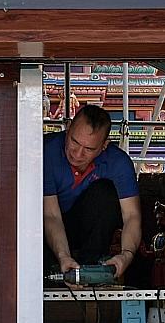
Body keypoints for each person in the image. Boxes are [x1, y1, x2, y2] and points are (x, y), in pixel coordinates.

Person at [43, 103, 141, 279]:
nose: (77, 154)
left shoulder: (118, 162)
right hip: (45, 230)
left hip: (86, 231)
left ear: (104, 146)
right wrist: (63, 257)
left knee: (105, 192)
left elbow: (132, 215)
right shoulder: (46, 152)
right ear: (68, 127)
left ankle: (91, 270)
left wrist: (126, 255)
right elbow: (51, 215)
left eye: (89, 149)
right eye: (74, 141)